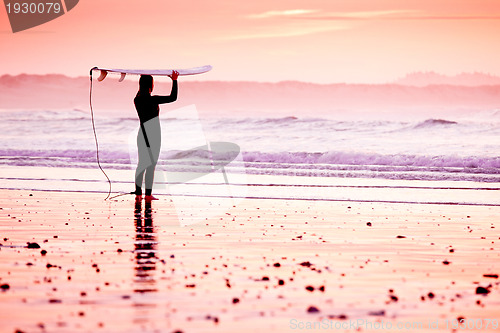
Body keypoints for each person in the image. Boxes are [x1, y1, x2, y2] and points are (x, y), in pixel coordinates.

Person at [133, 71, 179, 201]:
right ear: (151, 86)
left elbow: (140, 92)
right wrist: (174, 80)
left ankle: (138, 193)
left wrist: (142, 79)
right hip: (153, 134)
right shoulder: (154, 99)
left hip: (142, 134)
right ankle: (148, 194)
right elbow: (173, 97)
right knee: (151, 165)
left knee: (141, 164)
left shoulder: (137, 100)